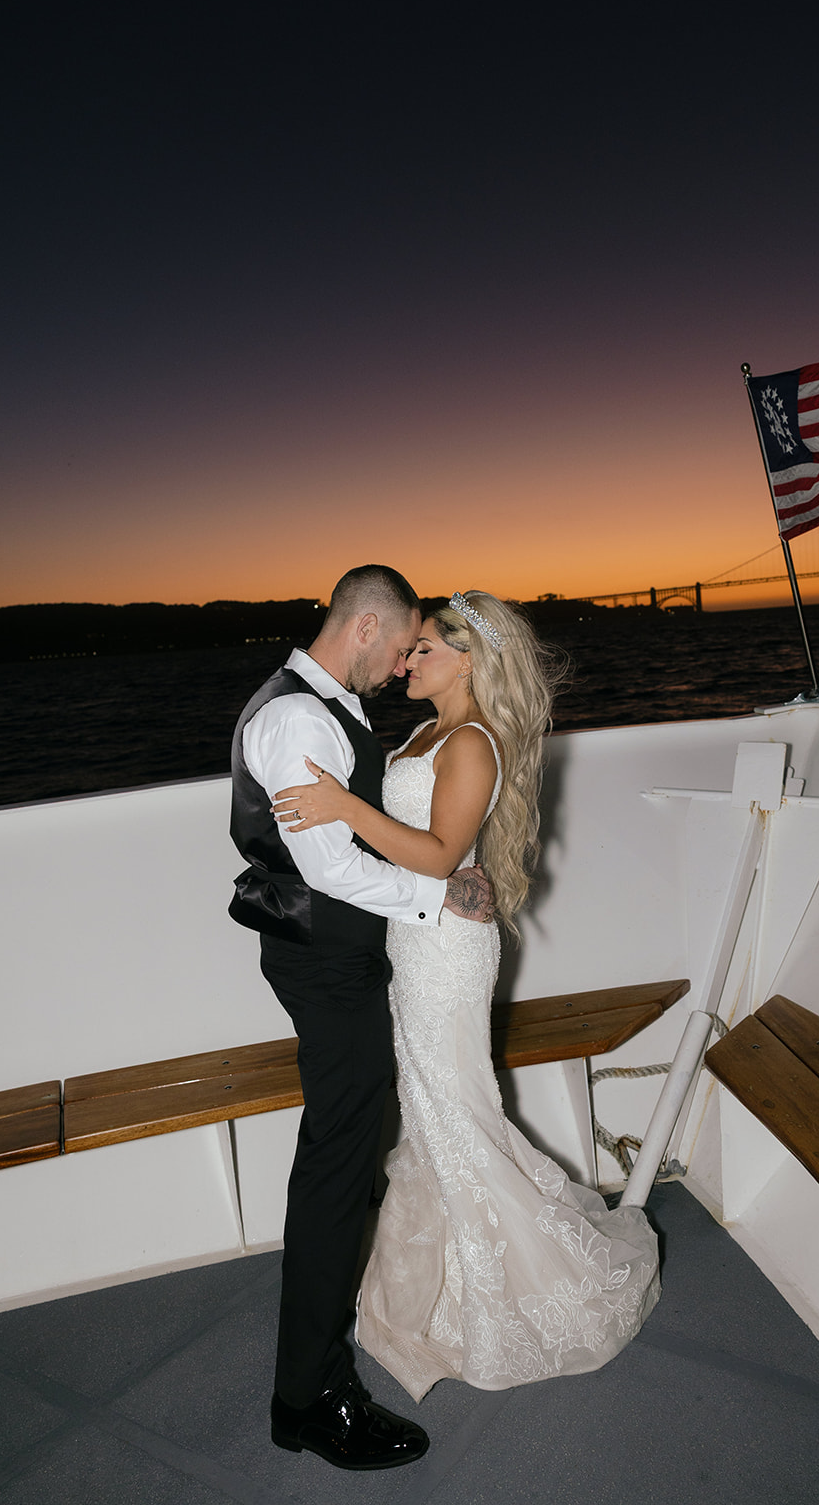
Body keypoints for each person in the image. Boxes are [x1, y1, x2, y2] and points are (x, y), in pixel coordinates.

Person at [272, 590, 661, 1404]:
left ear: (470, 659)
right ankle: (447, 1291)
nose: (406, 662)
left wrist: (342, 807)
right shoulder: (423, 732)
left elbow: (443, 850)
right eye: (407, 650)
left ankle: (525, 1292)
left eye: (423, 651)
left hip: (444, 953)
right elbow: (430, 853)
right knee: (430, 1113)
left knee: (455, 1112)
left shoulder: (474, 741)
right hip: (412, 940)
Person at [227, 565, 492, 1472]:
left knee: (340, 1156)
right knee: (338, 1166)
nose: (402, 661)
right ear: (369, 625)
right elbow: (332, 867)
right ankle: (308, 1398)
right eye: (404, 640)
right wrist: (437, 898)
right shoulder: (301, 716)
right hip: (327, 961)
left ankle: (313, 1371)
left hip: (327, 956)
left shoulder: (310, 703)